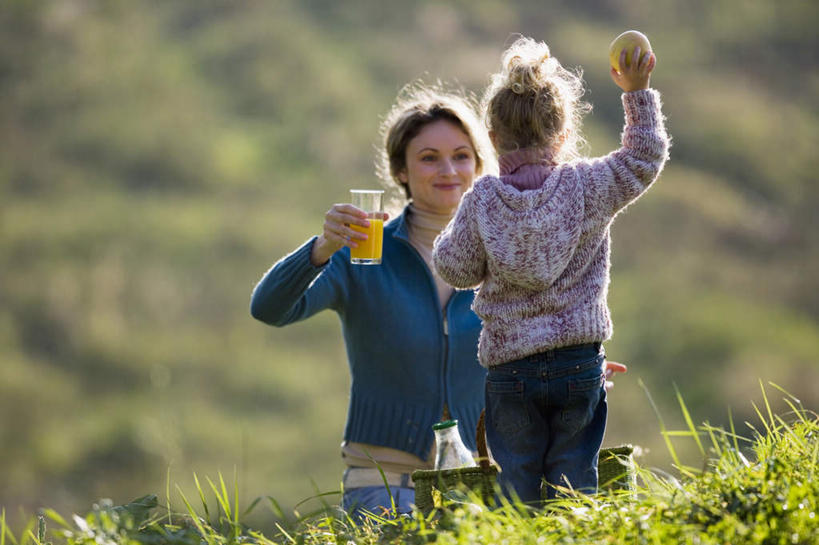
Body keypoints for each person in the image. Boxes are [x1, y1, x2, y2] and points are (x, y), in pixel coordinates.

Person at [433, 37, 670, 504]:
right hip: (578, 363)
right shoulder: (588, 186)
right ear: (562, 136)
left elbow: (454, 268)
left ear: (493, 138)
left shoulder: (481, 201)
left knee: (517, 482)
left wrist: (454, 233)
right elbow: (644, 158)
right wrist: (637, 90)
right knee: (574, 478)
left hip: (510, 368)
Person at [249, 82, 496, 519]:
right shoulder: (364, 252)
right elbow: (269, 309)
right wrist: (322, 248)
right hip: (383, 486)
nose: (449, 170)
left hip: (481, 482)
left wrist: (577, 369)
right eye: (428, 157)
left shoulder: (502, 253)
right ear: (400, 170)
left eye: (461, 156)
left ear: (478, 165)